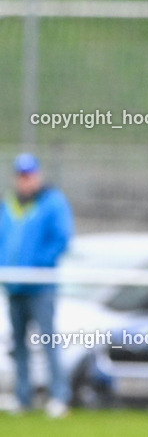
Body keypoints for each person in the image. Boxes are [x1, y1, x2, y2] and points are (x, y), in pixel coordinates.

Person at [0, 153, 75, 417]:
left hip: (40, 286)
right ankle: (23, 397)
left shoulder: (52, 202)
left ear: (38, 175)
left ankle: (59, 396)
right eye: (21, 175)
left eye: (29, 175)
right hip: (13, 287)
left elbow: (61, 239)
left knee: (48, 341)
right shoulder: (9, 204)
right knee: (17, 345)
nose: (25, 181)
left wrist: (37, 266)